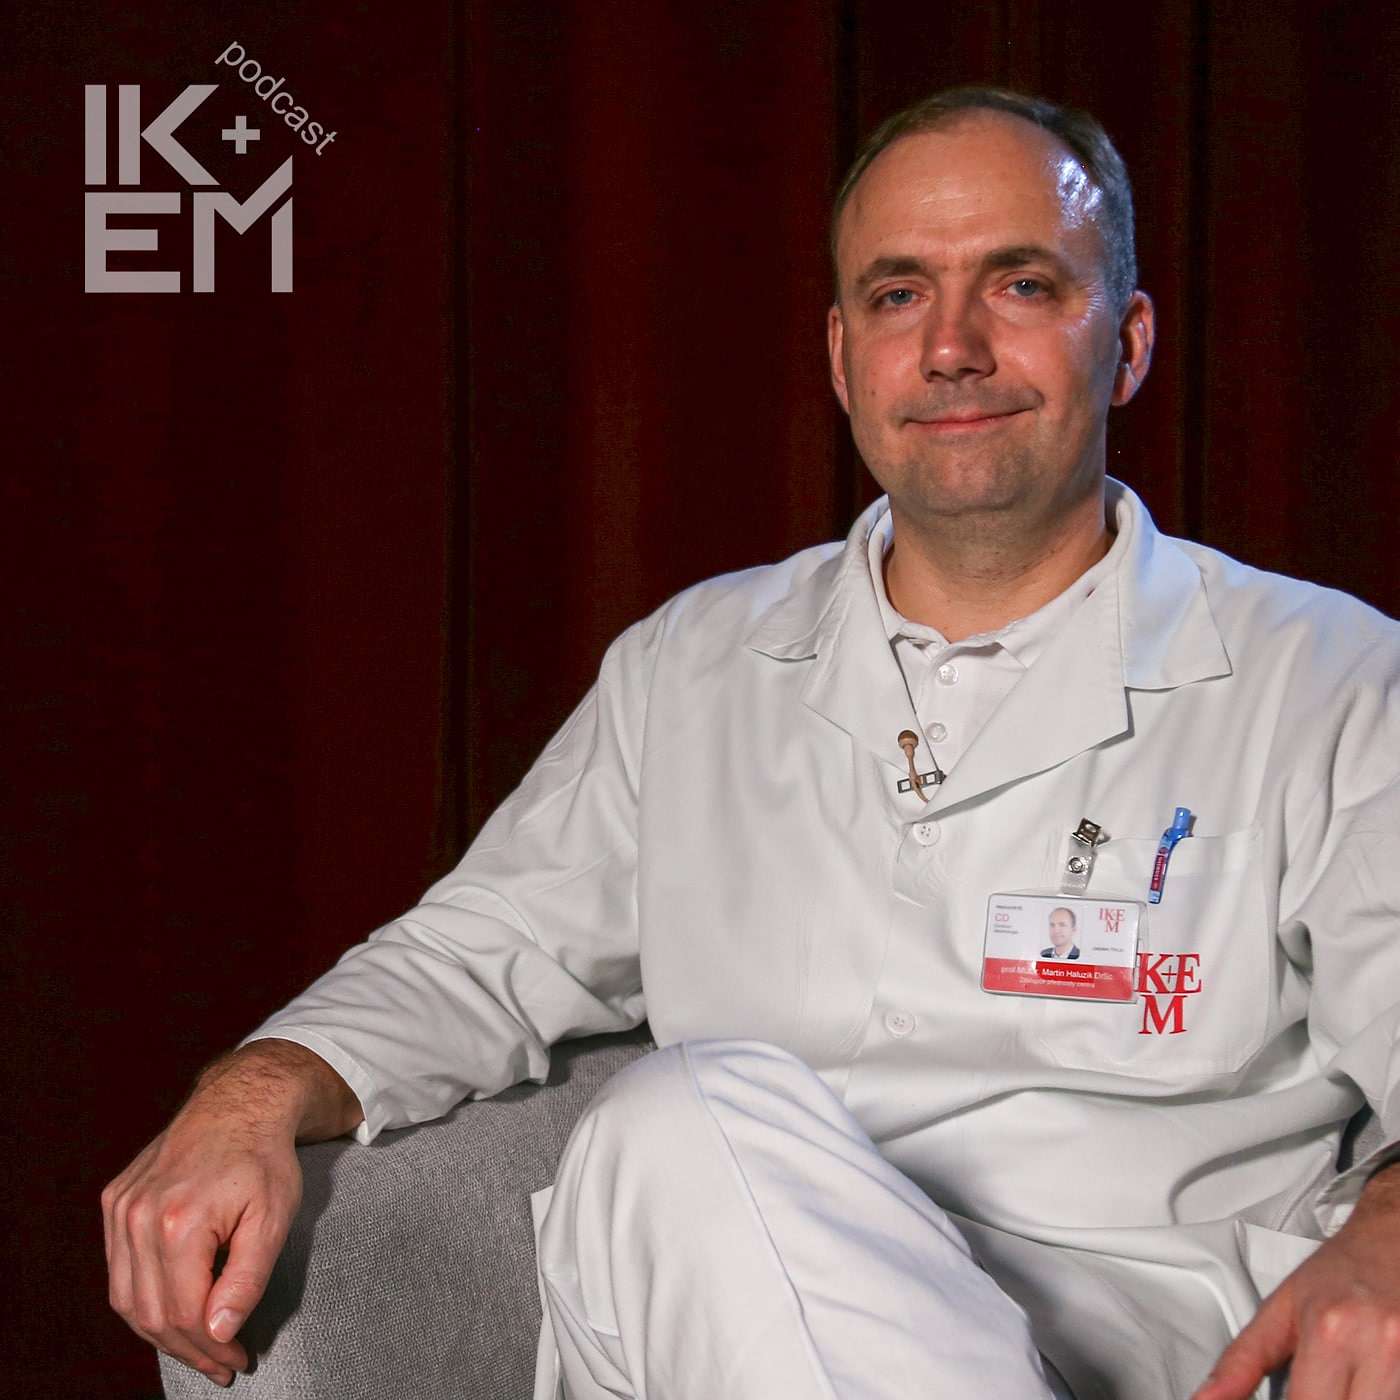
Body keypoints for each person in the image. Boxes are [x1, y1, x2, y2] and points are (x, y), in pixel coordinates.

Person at [102, 86, 1400, 1400]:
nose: (952, 347)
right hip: (719, 1304)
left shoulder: (1332, 680)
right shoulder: (692, 666)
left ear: (1125, 343)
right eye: (899, 295)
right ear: (842, 358)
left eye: (1020, 285)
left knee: (684, 1119)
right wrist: (255, 1091)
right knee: (682, 1122)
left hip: (1164, 1351)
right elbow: (480, 954)